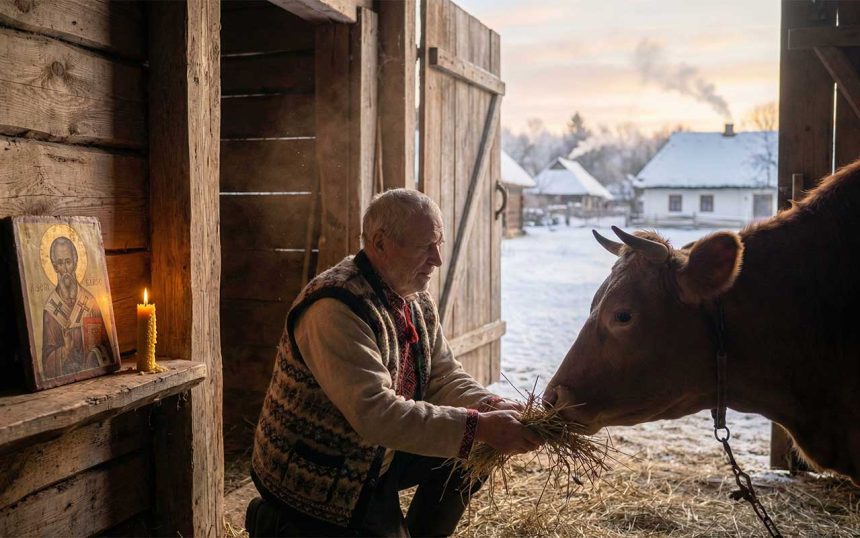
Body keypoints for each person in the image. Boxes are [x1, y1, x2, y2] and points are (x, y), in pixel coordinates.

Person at [247, 189, 542, 537]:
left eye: (439, 244)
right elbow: (376, 416)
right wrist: (481, 426)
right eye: (425, 247)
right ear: (381, 243)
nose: (437, 259)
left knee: (474, 451)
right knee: (475, 435)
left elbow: (442, 375)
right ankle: (272, 521)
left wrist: (488, 405)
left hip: (379, 455)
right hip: (324, 471)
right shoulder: (334, 308)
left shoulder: (412, 297)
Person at [42, 237, 108, 379]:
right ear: (54, 266)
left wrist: (93, 356)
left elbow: (106, 349)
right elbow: (46, 364)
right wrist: (65, 350)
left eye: (68, 262)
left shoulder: (90, 303)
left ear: (76, 262)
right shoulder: (51, 310)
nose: (65, 269)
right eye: (60, 263)